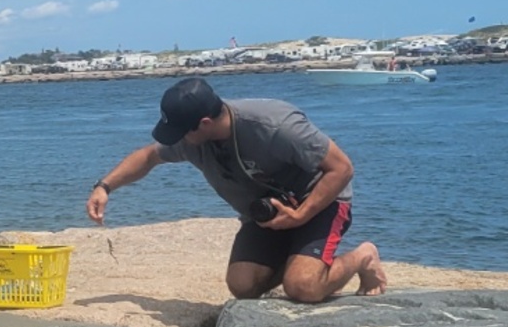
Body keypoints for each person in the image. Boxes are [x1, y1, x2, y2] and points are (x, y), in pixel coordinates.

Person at [86, 75, 387, 302]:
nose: (175, 138)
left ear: (203, 123)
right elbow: (148, 156)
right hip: (267, 215)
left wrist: (301, 216)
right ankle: (301, 259)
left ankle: (362, 257)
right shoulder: (192, 139)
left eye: (179, 131)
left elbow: (342, 168)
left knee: (302, 288)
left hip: (320, 203)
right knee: (243, 285)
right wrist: (105, 187)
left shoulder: (275, 125)